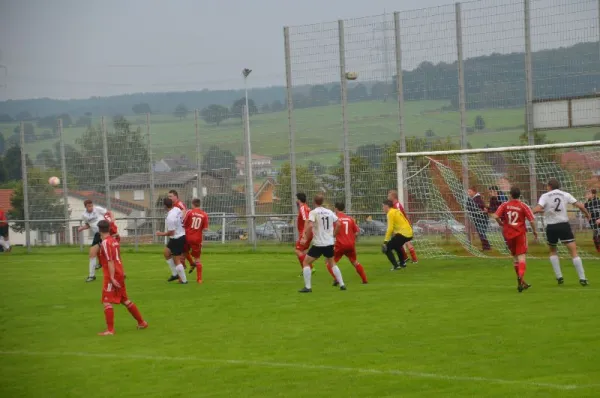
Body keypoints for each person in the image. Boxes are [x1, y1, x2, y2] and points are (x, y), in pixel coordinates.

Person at [533, 178, 591, 286]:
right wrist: (587, 215)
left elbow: (537, 208)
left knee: (553, 251)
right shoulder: (565, 194)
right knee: (573, 252)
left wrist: (529, 212)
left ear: (549, 186)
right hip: (563, 225)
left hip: (551, 227)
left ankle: (559, 277)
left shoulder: (545, 196)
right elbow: (581, 206)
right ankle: (582, 278)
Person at [96, 220, 148, 335]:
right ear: (109, 229)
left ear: (99, 230)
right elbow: (118, 258)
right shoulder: (114, 241)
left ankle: (110, 330)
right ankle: (142, 322)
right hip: (119, 273)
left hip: (112, 275)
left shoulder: (105, 242)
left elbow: (110, 261)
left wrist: (112, 278)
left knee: (107, 301)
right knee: (124, 300)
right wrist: (122, 273)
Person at [492, 187, 538, 292]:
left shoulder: (504, 205)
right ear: (519, 195)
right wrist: (535, 231)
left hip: (508, 235)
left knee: (515, 259)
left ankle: (521, 281)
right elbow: (531, 220)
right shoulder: (523, 206)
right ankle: (521, 277)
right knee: (522, 257)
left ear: (510, 195)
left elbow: (495, 215)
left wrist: (500, 223)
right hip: (520, 234)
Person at [298, 194, 346, 293]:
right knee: (332, 263)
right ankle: (342, 284)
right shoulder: (329, 212)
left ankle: (308, 287)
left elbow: (310, 225)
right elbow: (339, 224)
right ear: (322, 201)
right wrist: (333, 235)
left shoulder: (314, 212)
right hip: (329, 242)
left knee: (306, 262)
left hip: (319, 243)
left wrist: (304, 237)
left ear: (314, 202)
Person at [332, 202, 368, 284]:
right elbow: (356, 232)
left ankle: (337, 279)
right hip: (350, 244)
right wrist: (351, 239)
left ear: (336, 209)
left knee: (329, 263)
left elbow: (334, 231)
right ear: (344, 209)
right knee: (354, 262)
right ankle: (364, 280)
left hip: (340, 245)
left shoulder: (335, 219)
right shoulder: (350, 219)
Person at [156, 198, 188, 284]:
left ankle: (184, 281)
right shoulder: (177, 209)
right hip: (178, 236)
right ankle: (175, 274)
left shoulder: (170, 217)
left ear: (165, 206)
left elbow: (171, 232)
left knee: (177, 260)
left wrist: (160, 234)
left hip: (177, 238)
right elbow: (183, 213)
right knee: (166, 253)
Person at [78, 200, 109, 282]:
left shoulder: (98, 209)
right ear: (85, 207)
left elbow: (108, 213)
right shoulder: (84, 215)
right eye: (89, 206)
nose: (91, 207)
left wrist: (111, 220)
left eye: (91, 205)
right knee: (92, 254)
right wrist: (82, 228)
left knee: (111, 254)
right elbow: (88, 225)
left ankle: (120, 273)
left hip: (106, 234)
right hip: (97, 235)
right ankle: (92, 276)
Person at [382, 200, 414, 271]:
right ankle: (402, 263)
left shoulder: (390, 213)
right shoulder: (396, 211)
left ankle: (396, 266)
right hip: (409, 232)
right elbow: (403, 221)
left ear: (386, 206)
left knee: (386, 248)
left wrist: (385, 241)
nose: (382, 208)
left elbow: (390, 228)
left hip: (403, 233)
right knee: (397, 246)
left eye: (383, 206)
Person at [183, 198, 209, 283]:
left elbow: (184, 223)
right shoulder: (204, 214)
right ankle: (199, 279)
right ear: (199, 204)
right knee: (197, 258)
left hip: (187, 237)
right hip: (197, 238)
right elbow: (205, 229)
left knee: (183, 253)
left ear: (192, 204)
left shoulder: (189, 212)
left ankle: (182, 276)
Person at [387, 190, 417, 264]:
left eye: (389, 196)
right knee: (398, 243)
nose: (387, 197)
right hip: (400, 227)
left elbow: (400, 217)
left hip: (404, 227)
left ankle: (414, 259)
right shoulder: (393, 206)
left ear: (393, 197)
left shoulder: (397, 205)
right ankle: (405, 258)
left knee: (406, 242)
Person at [168, 189, 193, 269]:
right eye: (168, 196)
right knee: (183, 251)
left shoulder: (179, 204)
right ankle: (190, 263)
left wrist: (179, 220)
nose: (169, 198)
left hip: (182, 231)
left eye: (170, 196)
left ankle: (181, 274)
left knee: (179, 253)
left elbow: (184, 212)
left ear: (176, 196)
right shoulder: (172, 206)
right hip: (177, 231)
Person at [294, 193, 315, 274]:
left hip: (305, 232)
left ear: (299, 200)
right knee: (304, 251)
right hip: (310, 232)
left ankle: (307, 268)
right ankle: (310, 268)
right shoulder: (307, 207)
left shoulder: (303, 208)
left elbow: (306, 219)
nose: (296, 201)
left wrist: (304, 234)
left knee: (297, 251)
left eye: (297, 199)